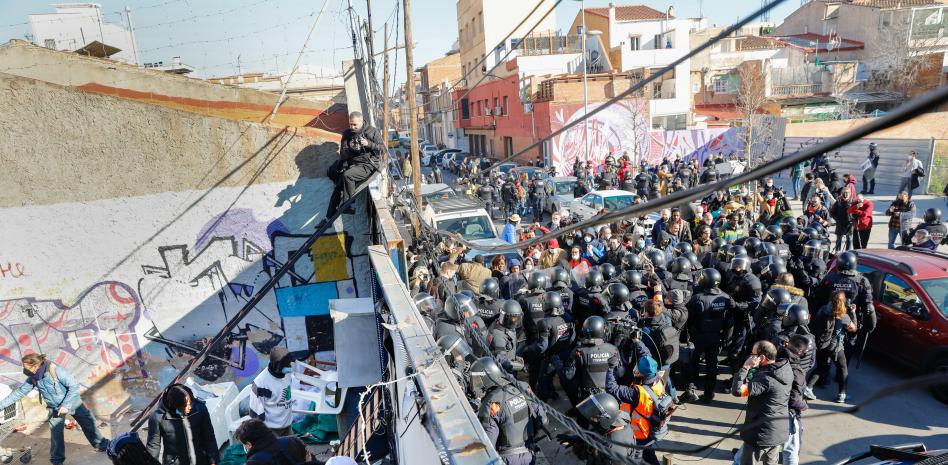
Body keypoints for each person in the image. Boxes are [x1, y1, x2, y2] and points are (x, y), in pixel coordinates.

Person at [0, 354, 110, 465]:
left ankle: (103, 445)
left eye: (26, 367)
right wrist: (1, 405)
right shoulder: (33, 378)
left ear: (35, 366)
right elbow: (19, 392)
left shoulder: (55, 371)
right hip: (55, 407)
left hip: (73, 402)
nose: (24, 369)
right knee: (56, 435)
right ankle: (57, 461)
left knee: (88, 424)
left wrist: (66, 405)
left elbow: (74, 386)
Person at [730, 341, 792, 465]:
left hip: (760, 434)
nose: (750, 357)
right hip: (777, 432)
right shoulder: (785, 369)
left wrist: (745, 368)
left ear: (762, 357)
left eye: (753, 354)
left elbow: (738, 390)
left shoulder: (765, 380)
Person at [326, 112, 385, 217]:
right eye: (350, 124)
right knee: (338, 187)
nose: (352, 127)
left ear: (361, 122)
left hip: (368, 164)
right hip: (353, 164)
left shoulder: (371, 132)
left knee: (347, 175)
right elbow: (343, 154)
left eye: (355, 125)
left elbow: (383, 148)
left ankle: (348, 205)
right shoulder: (347, 134)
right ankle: (329, 216)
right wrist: (350, 148)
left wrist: (369, 144)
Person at [146, 384, 219, 465]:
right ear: (175, 404)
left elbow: (209, 437)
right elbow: (153, 447)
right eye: (186, 405)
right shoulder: (157, 417)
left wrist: (213, 460)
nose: (190, 407)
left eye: (190, 402)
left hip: (201, 460)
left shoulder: (200, 409)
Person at [807, 290, 857, 403]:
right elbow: (853, 328)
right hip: (836, 348)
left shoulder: (823, 309)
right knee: (843, 368)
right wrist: (853, 313)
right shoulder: (843, 315)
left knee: (821, 368)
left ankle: (808, 388)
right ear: (843, 301)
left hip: (821, 344)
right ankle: (842, 395)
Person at [250, 347, 296, 436]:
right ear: (278, 365)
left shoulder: (286, 375)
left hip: (288, 426)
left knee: (293, 449)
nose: (290, 367)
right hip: (271, 431)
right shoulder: (261, 383)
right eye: (287, 364)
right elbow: (254, 413)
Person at [235, 418, 309, 465]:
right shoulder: (292, 440)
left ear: (249, 444)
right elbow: (310, 460)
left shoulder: (255, 461)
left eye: (244, 444)